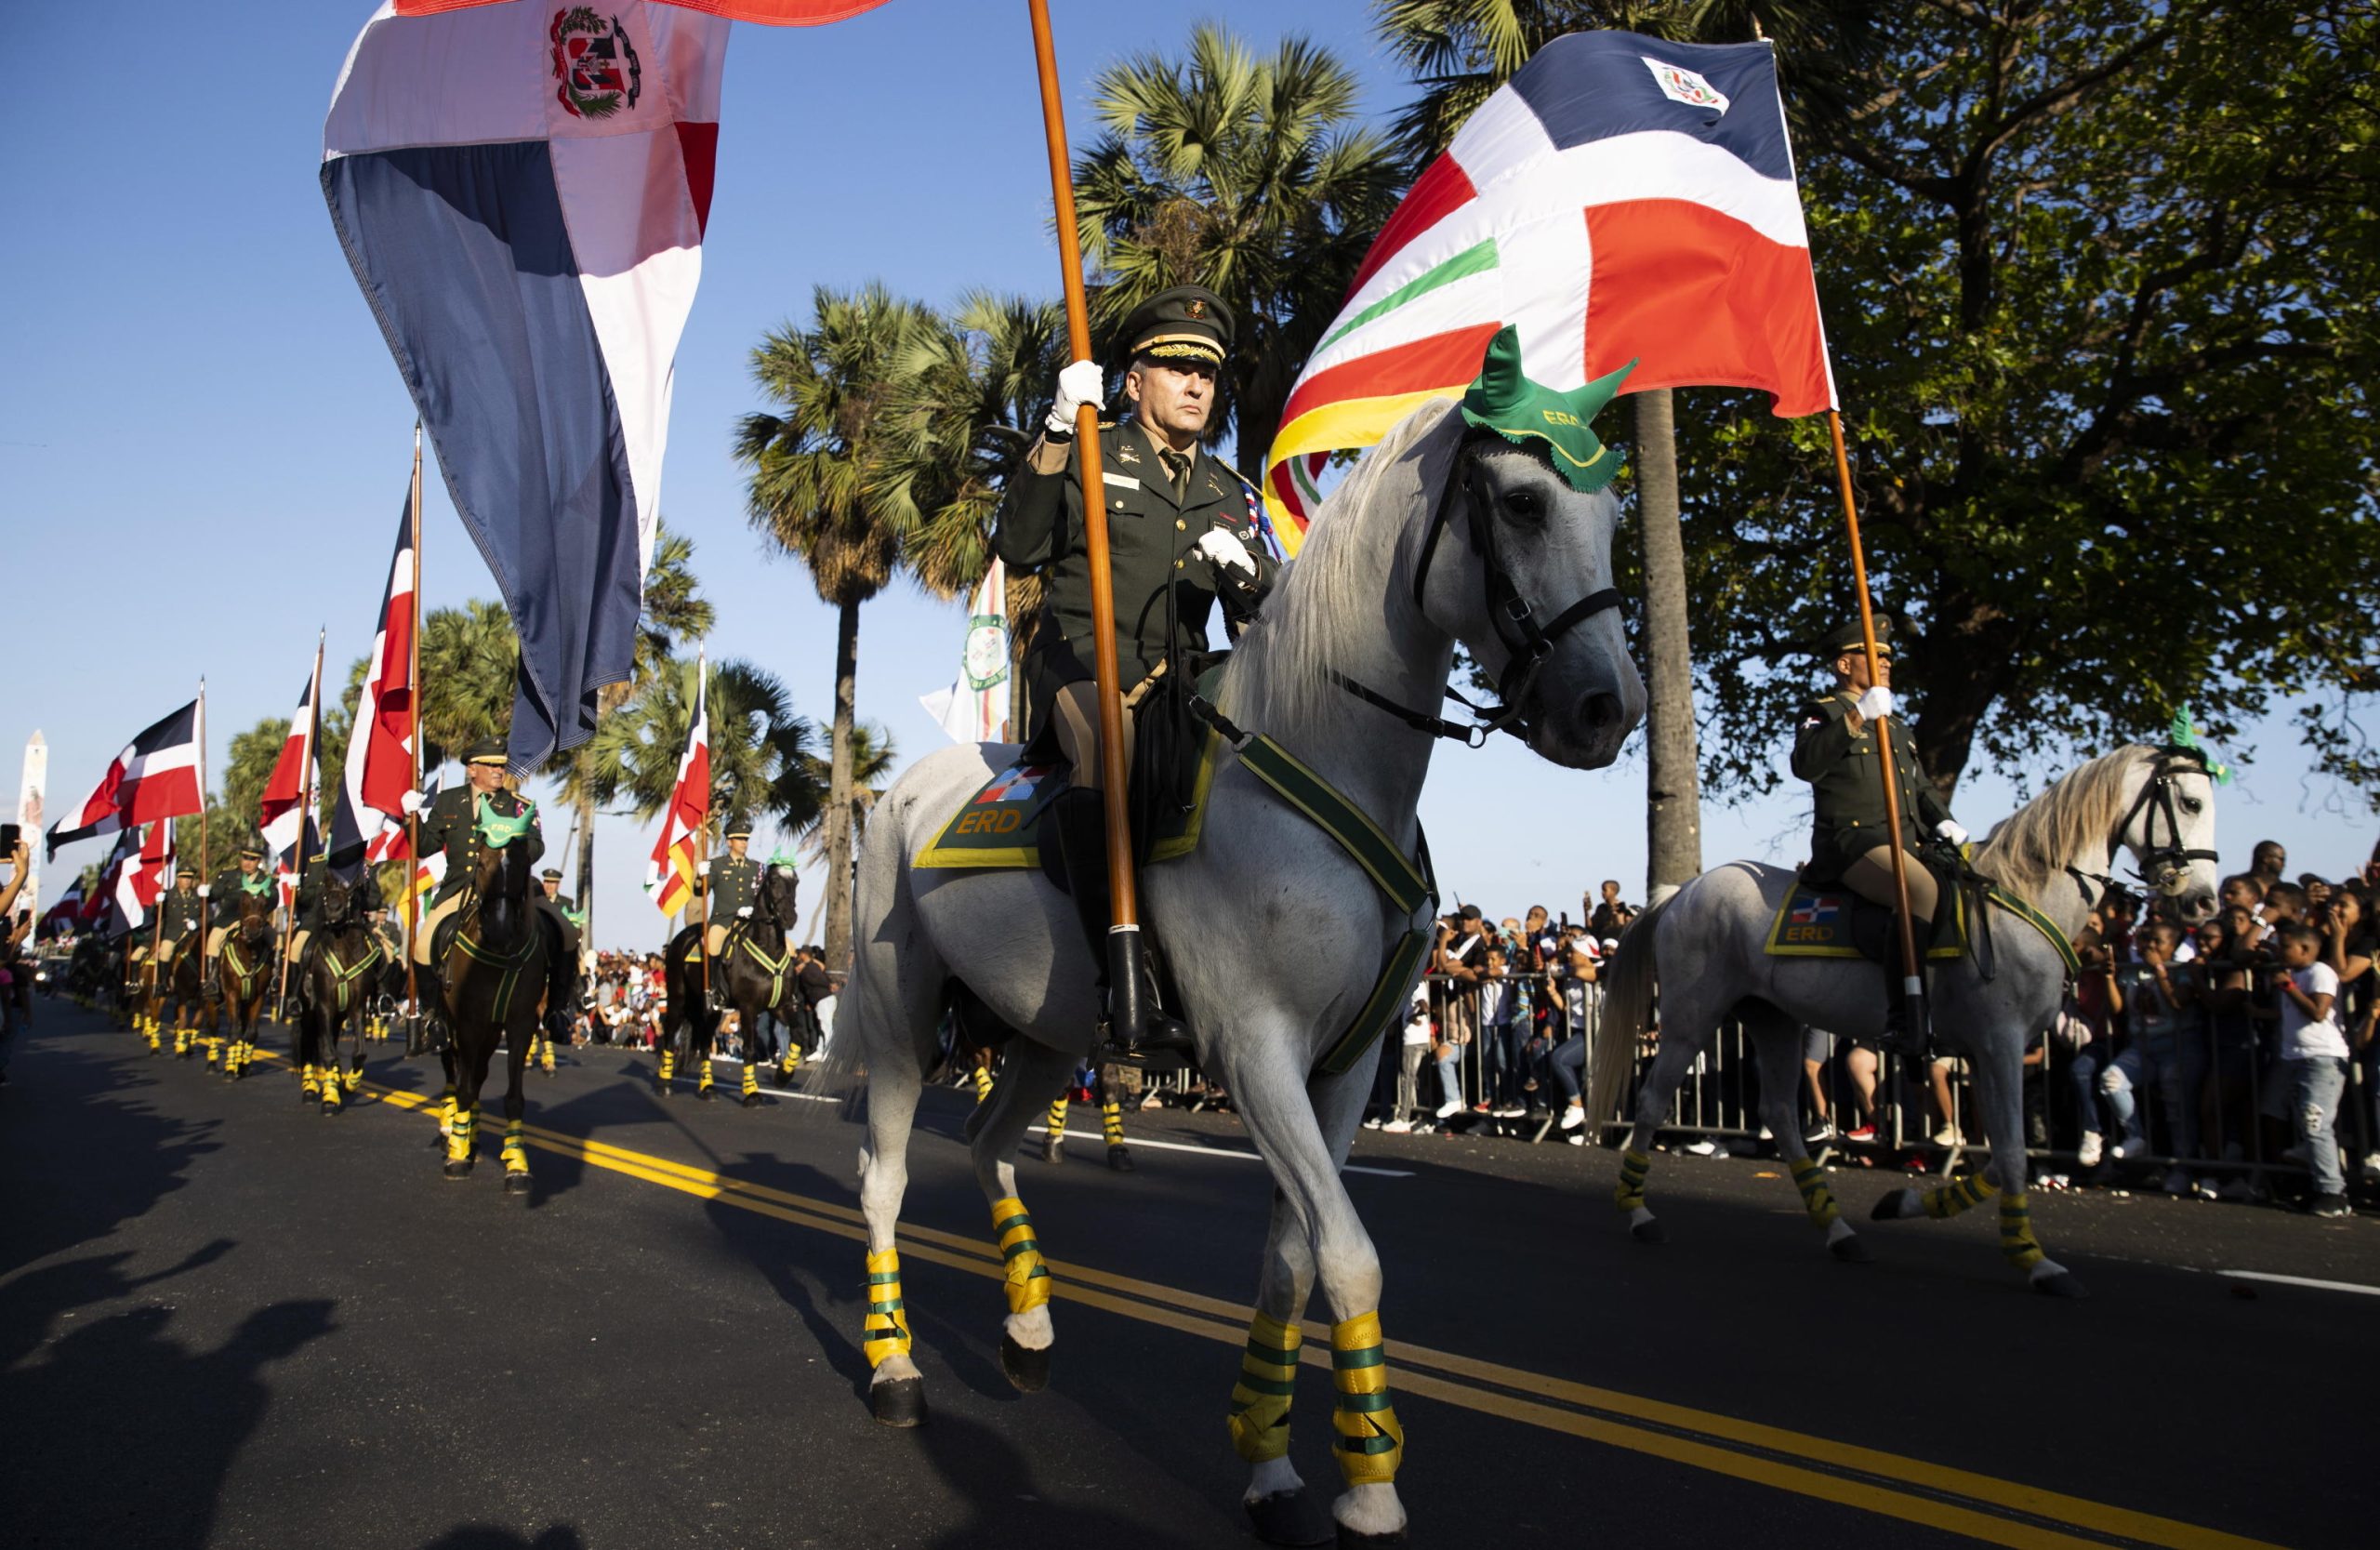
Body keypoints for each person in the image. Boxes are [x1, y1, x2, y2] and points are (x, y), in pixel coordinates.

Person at [992, 285, 1278, 1055]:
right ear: (1133, 380)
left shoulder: (1230, 493)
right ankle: (1122, 980)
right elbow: (1019, 545)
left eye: (1207, 374)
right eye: (1177, 367)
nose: (1196, 385)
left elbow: (1265, 625)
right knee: (1107, 743)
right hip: (1081, 662)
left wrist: (1251, 583)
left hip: (1181, 688)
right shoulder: (1094, 451)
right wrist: (1056, 428)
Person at [1791, 616, 1965, 1058]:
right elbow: (1806, 764)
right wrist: (1856, 716)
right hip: (1850, 843)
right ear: (1845, 665)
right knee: (1919, 890)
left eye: (1888, 656)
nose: (1886, 662)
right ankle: (1904, 1017)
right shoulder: (1823, 711)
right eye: (1874, 654)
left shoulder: (1897, 724)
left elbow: (1921, 787)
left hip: (1907, 842)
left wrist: (1944, 821)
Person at [402, 736, 545, 1048]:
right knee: (422, 948)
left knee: (564, 933)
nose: (498, 771)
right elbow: (425, 845)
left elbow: (536, 846)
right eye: (491, 765)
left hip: (504, 892)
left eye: (501, 765)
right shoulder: (449, 801)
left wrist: (512, 842)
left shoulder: (517, 805)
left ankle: (559, 1009)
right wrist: (409, 817)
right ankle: (433, 1015)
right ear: (472, 769)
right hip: (458, 891)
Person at [2266, 922, 2350, 1215]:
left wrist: (2288, 986)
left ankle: (2333, 1192)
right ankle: (2315, 1183)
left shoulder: (2319, 972)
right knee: (2305, 1124)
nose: (2281, 951)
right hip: (2295, 1058)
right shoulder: (2295, 973)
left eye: (2285, 946)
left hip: (2322, 1059)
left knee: (2316, 1123)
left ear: (2305, 948)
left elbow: (2318, 1011)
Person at [699, 818, 760, 1013]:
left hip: (749, 922)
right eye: (739, 838)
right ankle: (716, 991)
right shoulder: (716, 865)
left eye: (746, 839)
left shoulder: (756, 868)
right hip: (724, 920)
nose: (744, 842)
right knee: (714, 944)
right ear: (729, 842)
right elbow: (701, 892)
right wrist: (701, 877)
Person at [202, 842, 271, 993]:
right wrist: (207, 893)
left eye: (252, 859)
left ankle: (275, 979)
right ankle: (212, 981)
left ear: (258, 861)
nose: (247, 862)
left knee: (277, 942)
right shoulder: (228, 876)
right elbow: (216, 895)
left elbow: (273, 900)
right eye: (245, 858)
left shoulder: (265, 880)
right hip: (227, 921)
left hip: (256, 923)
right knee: (213, 943)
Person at [535, 867, 583, 1040]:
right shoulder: (535, 901)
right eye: (547, 882)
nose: (549, 886)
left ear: (558, 885)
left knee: (577, 964)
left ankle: (576, 998)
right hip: (539, 948)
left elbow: (575, 926)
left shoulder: (566, 903)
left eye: (552, 883)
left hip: (558, 950)